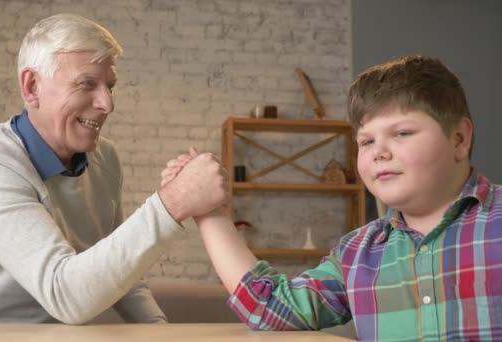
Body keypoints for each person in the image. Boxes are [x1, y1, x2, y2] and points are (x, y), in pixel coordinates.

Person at [0, 14, 229, 324]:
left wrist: (158, 332)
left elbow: (123, 273)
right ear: (32, 86)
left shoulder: (105, 159)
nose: (107, 103)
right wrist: (174, 201)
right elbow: (65, 296)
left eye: (110, 86)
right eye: (87, 84)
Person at [162, 55, 502, 341]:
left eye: (401, 133)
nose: (379, 152)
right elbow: (269, 309)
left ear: (459, 139)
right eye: (366, 141)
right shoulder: (357, 254)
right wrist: (208, 212)